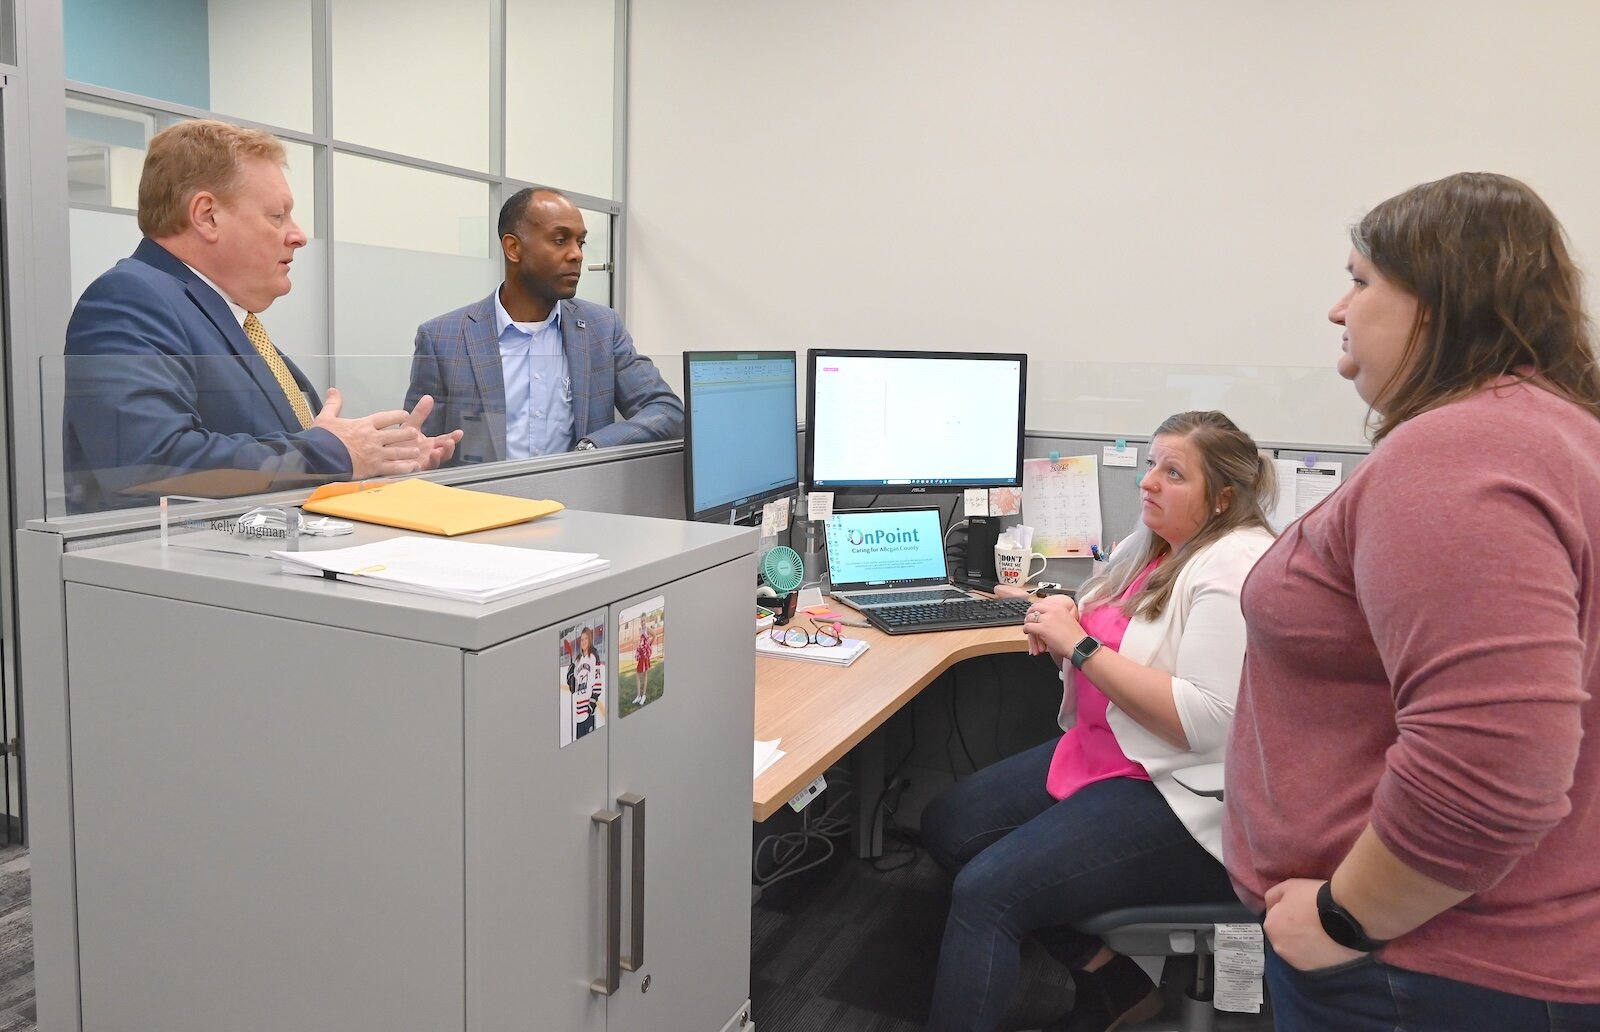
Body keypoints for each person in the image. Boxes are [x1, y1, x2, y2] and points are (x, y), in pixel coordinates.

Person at [1225, 173, 1600, 1030]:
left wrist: (1346, 917)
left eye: (1359, 281)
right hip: (1491, 955)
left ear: (1435, 301)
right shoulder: (1558, 434)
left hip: (1417, 968)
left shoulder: (1457, 452)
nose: (1337, 309)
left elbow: (1495, 762)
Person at [920, 411, 1277, 1032]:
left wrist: (1079, 647)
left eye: (1174, 473)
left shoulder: (1235, 564)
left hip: (1182, 791)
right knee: (950, 824)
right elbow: (1107, 612)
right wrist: (1063, 608)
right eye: (1150, 466)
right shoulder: (1162, 544)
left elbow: (1208, 723)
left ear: (1223, 498)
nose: (1149, 484)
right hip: (1110, 750)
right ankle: (1112, 981)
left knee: (988, 894)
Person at [63, 119, 461, 513]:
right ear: (206, 216)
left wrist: (380, 461)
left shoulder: (226, 318)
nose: (299, 235)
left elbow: (282, 461)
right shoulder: (128, 299)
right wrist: (335, 452)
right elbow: (146, 465)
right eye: (277, 216)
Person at [405, 188, 683, 465]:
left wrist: (594, 447)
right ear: (514, 248)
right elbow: (419, 448)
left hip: (579, 505)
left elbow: (666, 410)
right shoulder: (443, 338)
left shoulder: (602, 328)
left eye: (581, 243)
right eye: (560, 240)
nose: (577, 255)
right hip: (482, 504)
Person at [567, 626, 605, 740]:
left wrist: (591, 705)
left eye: (586, 639)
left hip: (588, 711)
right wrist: (569, 677)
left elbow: (598, 685)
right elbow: (573, 689)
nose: (583, 641)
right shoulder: (578, 661)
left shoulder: (594, 657)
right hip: (578, 713)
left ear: (590, 640)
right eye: (582, 639)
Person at [633, 625, 654, 706]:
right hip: (642, 655)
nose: (642, 622)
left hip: (645, 656)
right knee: (638, 673)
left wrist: (648, 646)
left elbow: (654, 635)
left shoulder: (647, 629)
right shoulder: (641, 630)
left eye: (644, 620)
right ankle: (639, 696)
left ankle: (643, 695)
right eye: (641, 621)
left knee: (644, 674)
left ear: (646, 620)